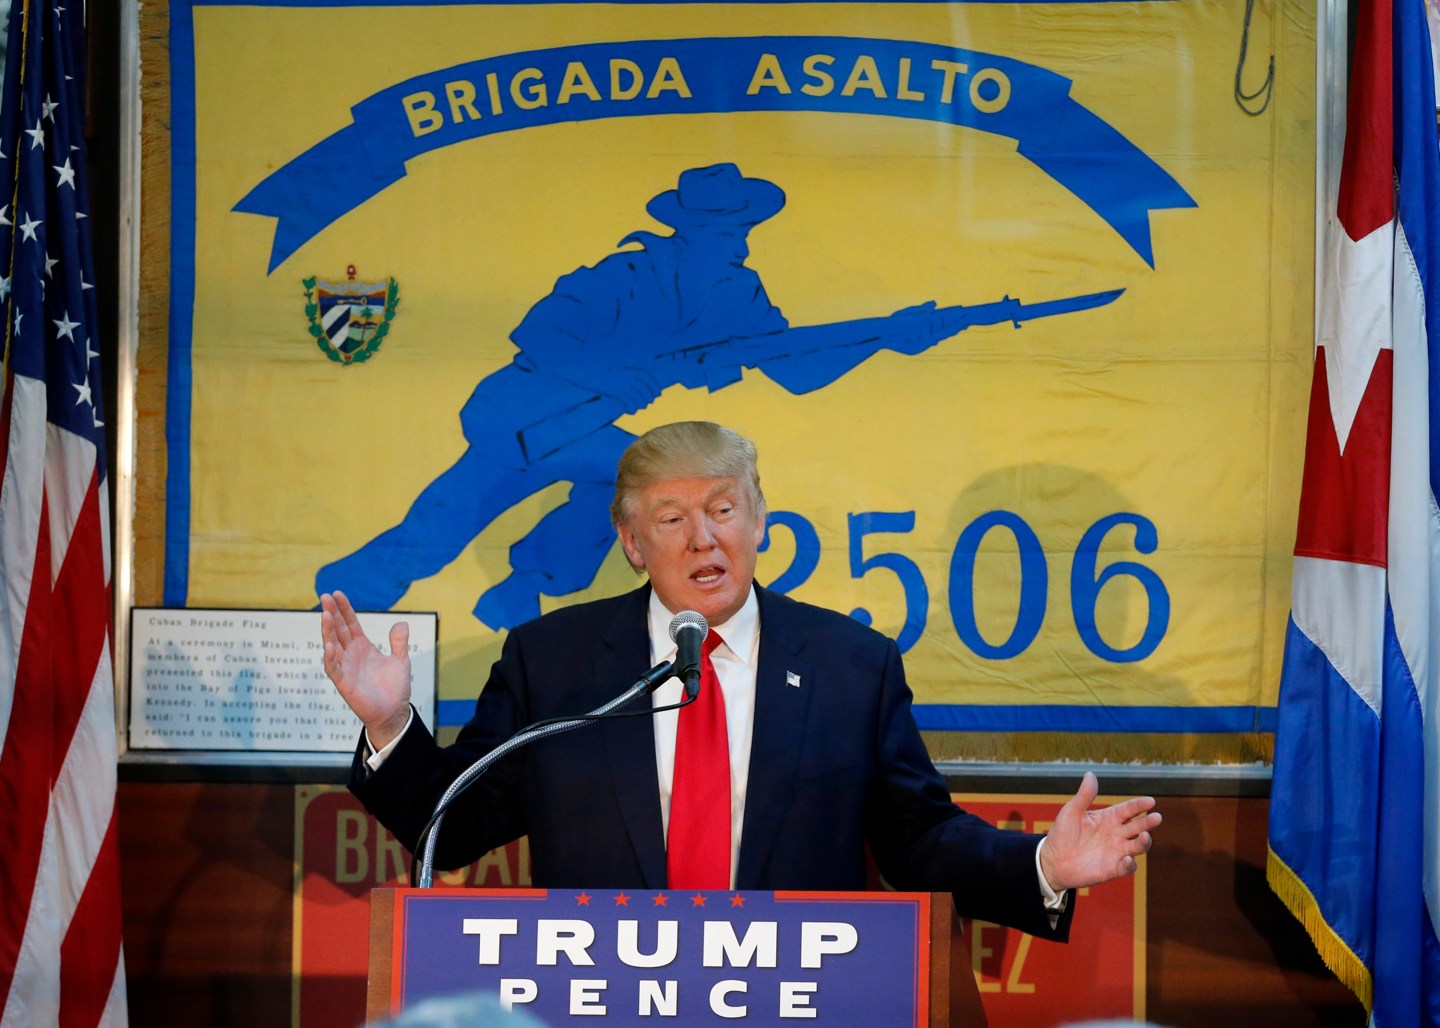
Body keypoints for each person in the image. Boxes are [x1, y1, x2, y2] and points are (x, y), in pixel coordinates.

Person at [321, 421, 1160, 941]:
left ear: (759, 520)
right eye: (671, 519)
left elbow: (917, 841)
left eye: (723, 510)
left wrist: (1043, 861)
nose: (703, 540)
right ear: (631, 542)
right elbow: (458, 826)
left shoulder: (850, 667)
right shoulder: (555, 662)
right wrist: (394, 729)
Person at [313, 163, 1107, 632]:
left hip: (583, 428)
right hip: (525, 412)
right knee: (437, 528)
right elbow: (540, 332)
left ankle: (524, 586)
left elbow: (792, 366)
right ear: (689, 228)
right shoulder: (625, 275)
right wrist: (619, 369)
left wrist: (883, 336)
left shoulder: (734, 292)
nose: (740, 238)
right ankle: (339, 607)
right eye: (726, 228)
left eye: (743, 228)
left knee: (638, 482)